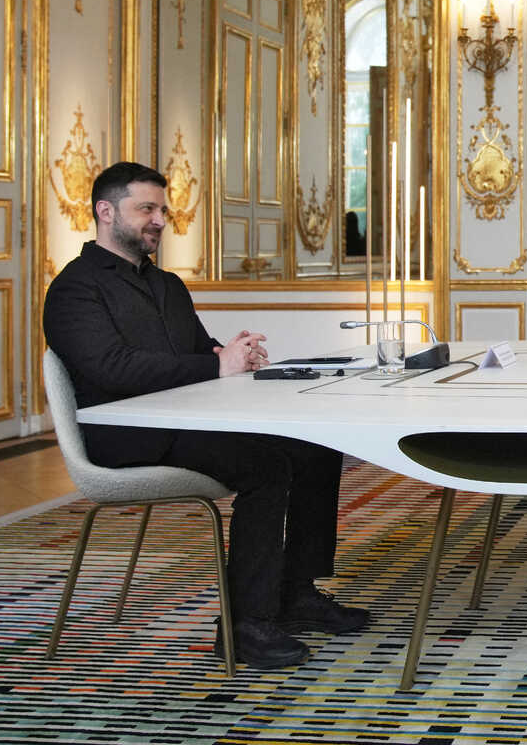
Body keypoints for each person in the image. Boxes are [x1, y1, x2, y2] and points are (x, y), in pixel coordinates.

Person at [43, 162, 367, 669]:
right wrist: (215, 364)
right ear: (105, 212)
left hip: (185, 423)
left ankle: (296, 592)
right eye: (146, 209)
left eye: (162, 210)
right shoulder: (74, 289)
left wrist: (230, 353)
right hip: (126, 435)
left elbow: (196, 350)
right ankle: (245, 624)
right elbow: (111, 369)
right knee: (266, 466)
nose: (158, 220)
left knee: (313, 446)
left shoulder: (168, 284)